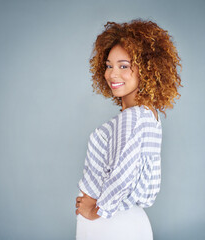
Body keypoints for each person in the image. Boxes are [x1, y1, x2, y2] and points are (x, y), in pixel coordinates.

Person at [75, 19, 182, 240]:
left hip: (109, 222)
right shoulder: (148, 115)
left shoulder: (132, 118)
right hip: (128, 220)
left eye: (124, 66)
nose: (112, 74)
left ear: (147, 69)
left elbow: (123, 176)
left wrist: (96, 211)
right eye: (108, 65)